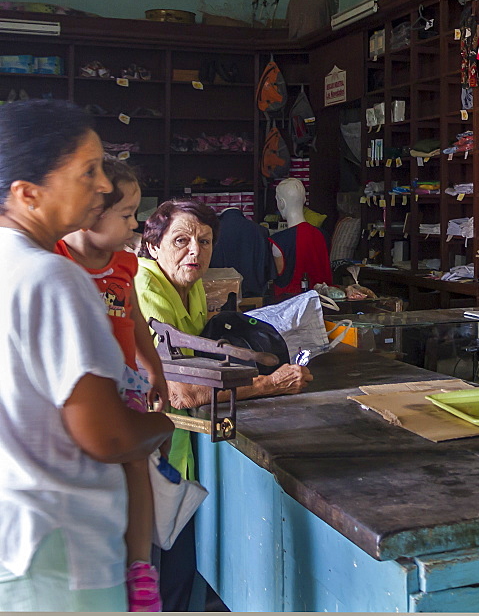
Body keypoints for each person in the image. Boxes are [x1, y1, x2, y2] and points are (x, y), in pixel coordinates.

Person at [0, 99, 174, 611]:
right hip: (64, 558)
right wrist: (164, 428)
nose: (103, 185)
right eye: (88, 171)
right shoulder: (53, 277)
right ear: (28, 194)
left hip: (18, 545)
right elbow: (109, 435)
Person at [134, 198, 313, 610]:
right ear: (153, 244)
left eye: (205, 241)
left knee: (177, 575)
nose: (195, 251)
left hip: (175, 455)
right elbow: (179, 391)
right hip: (147, 459)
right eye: (181, 240)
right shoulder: (146, 289)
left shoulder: (189, 284)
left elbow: (204, 357)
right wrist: (269, 383)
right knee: (154, 581)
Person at [56, 160, 169, 611]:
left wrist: (154, 368)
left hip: (125, 380)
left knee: (136, 463)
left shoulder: (126, 262)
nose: (135, 224)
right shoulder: (56, 259)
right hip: (79, 383)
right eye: (125, 215)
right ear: (89, 213)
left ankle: (139, 566)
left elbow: (135, 318)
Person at [269, 178, 332, 297]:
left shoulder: (278, 242)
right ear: (304, 200)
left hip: (289, 306)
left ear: (281, 203)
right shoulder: (324, 236)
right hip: (323, 304)